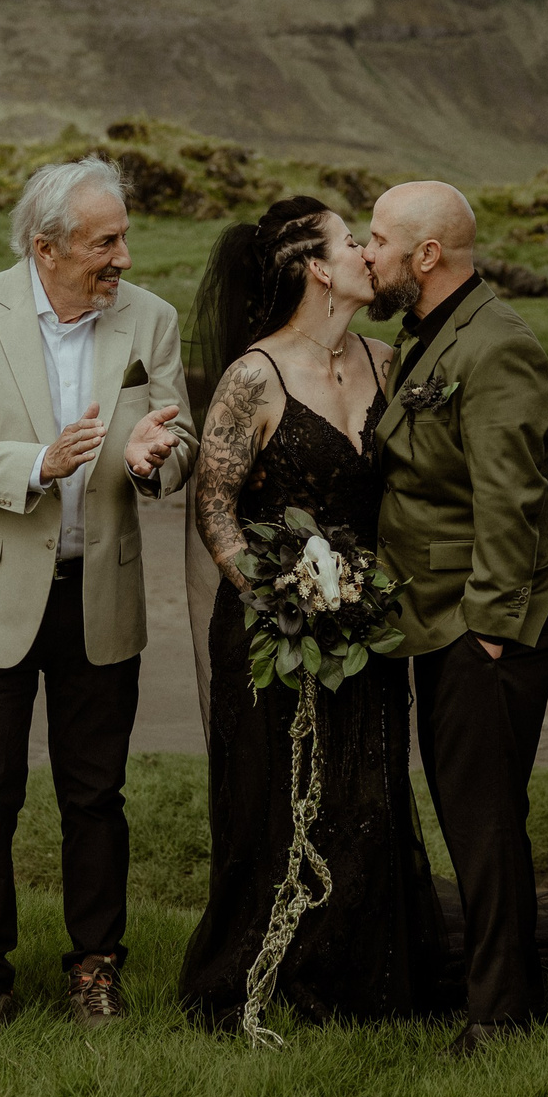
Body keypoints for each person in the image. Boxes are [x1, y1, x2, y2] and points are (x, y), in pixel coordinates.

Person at [0, 156, 196, 1042]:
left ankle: (95, 967)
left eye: (122, 239)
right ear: (46, 248)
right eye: (104, 243)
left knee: (95, 794)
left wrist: (153, 460)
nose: (122, 258)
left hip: (100, 593)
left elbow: (180, 438)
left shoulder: (152, 318)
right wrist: (39, 462)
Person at [178, 197, 446, 1029]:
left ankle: (357, 976)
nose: (369, 252)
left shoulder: (387, 362)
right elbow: (214, 506)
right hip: (271, 631)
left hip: (366, 627)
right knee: (270, 800)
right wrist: (276, 596)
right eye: (351, 241)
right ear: (316, 269)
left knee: (365, 797)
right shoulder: (254, 377)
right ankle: (264, 970)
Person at [365, 180, 548, 1058]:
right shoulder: (429, 331)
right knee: (468, 812)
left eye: (378, 239)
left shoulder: (497, 346)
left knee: (482, 821)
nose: (366, 253)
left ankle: (501, 1014)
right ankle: (504, 984)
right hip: (439, 612)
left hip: (484, 620)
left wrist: (486, 633)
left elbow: (512, 499)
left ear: (426, 256)